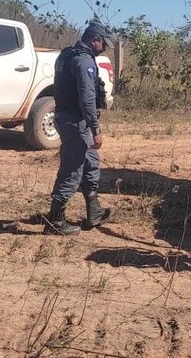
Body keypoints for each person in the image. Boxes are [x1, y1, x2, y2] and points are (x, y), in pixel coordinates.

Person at [43, 20, 113, 235]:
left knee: (91, 162)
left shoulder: (67, 55)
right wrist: (96, 128)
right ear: (95, 40)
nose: (105, 49)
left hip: (71, 118)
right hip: (76, 121)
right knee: (72, 169)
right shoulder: (83, 62)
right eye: (104, 44)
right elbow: (87, 98)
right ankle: (55, 220)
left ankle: (94, 211)